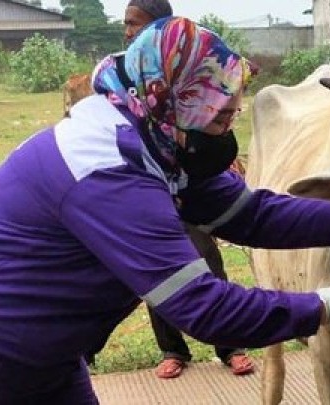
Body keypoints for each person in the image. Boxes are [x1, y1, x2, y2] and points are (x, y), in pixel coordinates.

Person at [0, 17, 330, 403]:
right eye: (220, 118)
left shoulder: (159, 138)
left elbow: (249, 214)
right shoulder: (107, 170)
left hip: (47, 357)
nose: (227, 132)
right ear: (175, 103)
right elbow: (204, 307)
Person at [121, 0, 255, 379]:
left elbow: (218, 123)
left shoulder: (192, 72)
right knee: (156, 270)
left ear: (160, 26)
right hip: (146, 188)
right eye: (126, 24)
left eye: (136, 23)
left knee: (206, 261)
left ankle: (229, 346)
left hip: (190, 184)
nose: (129, 31)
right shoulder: (126, 77)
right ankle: (172, 349)